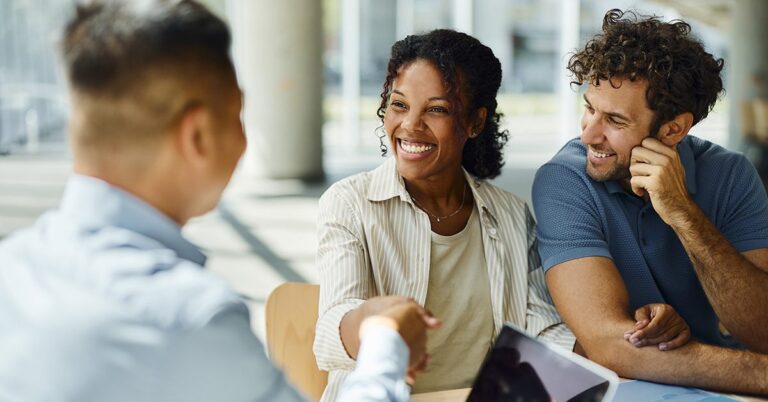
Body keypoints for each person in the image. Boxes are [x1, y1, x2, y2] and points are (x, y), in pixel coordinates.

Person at [0, 1, 438, 401]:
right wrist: (385, 342)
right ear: (197, 136)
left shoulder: (13, 266)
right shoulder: (187, 318)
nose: (245, 139)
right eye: (237, 115)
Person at [314, 29, 570, 401]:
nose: (410, 126)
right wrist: (377, 319)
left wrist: (624, 344)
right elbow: (330, 332)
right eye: (399, 104)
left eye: (436, 109)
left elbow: (540, 331)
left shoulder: (512, 215)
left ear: (475, 121)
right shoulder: (350, 203)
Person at [532, 8, 768, 394]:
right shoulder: (564, 180)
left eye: (615, 121)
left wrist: (684, 215)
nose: (589, 134)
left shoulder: (731, 176)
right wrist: (761, 374)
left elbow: (762, 329)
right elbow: (609, 344)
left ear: (674, 129)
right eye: (589, 108)